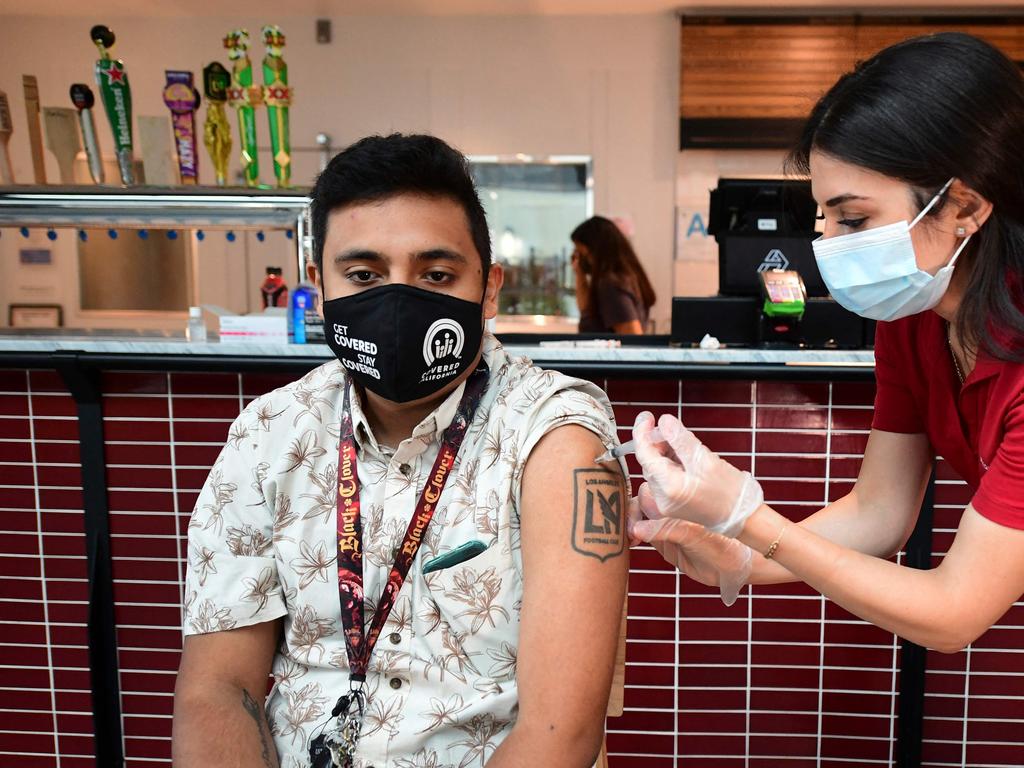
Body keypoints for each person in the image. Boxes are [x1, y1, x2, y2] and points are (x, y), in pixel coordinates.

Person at [172, 134, 630, 768]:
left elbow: (561, 733)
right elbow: (218, 690)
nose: (397, 299)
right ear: (319, 286)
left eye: (436, 274)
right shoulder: (269, 435)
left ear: (488, 289)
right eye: (363, 275)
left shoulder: (558, 438)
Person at [630, 32, 1024, 652]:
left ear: (965, 207)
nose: (832, 246)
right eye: (826, 220)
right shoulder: (914, 319)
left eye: (856, 219)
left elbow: (954, 611)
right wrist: (741, 554)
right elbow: (879, 511)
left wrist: (746, 515)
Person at [571, 216, 655, 334]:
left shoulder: (611, 285)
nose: (578, 257)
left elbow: (632, 336)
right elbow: (586, 310)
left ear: (595, 250)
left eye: (580, 252)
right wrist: (580, 274)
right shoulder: (619, 279)